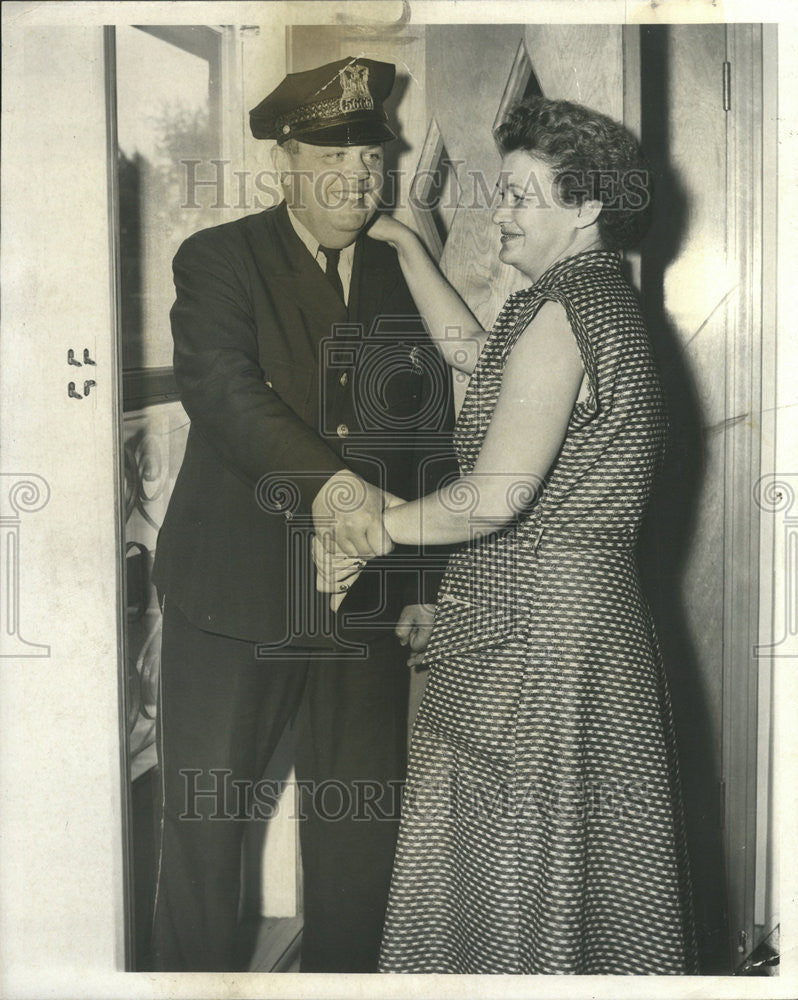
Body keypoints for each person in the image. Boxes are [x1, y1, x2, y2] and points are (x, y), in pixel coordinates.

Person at [317, 95, 698, 974]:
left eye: (524, 196)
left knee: (511, 868)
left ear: (586, 207)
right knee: (574, 868)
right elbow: (477, 357)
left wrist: (376, 527)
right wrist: (412, 244)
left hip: (534, 632)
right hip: (584, 626)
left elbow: (494, 494)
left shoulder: (565, 311)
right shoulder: (596, 298)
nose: (501, 212)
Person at [150, 56, 456, 973]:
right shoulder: (218, 259)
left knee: (359, 845)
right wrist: (335, 488)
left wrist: (424, 585)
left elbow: (427, 431)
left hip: (366, 604)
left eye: (371, 160)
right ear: (283, 161)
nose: (357, 179)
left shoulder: (404, 276)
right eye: (332, 159)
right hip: (233, 596)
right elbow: (225, 393)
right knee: (207, 841)